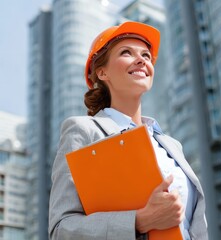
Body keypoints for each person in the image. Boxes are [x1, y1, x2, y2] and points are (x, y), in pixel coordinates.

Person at [48, 21, 208, 240]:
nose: (142, 60)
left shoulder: (171, 145)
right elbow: (61, 230)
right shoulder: (83, 131)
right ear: (102, 72)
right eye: (126, 52)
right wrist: (140, 221)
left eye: (146, 56)